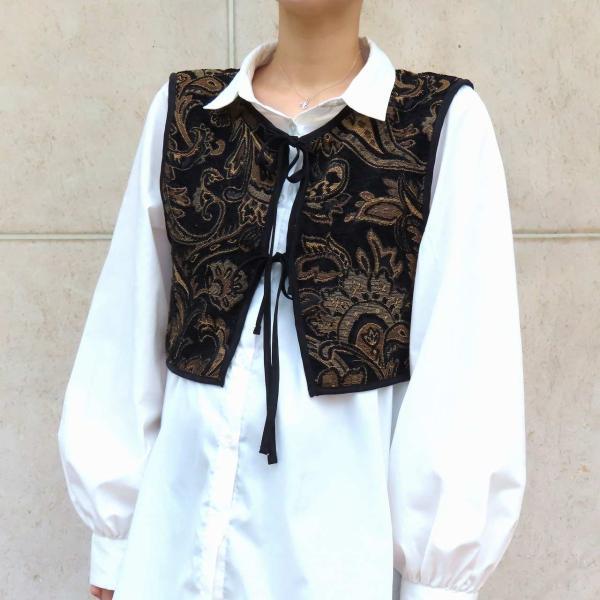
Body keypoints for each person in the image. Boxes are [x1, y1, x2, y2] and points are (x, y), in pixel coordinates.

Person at [57, 1, 526, 599]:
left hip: (335, 562)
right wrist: (115, 543)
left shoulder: (438, 123)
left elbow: (465, 368)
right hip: (170, 551)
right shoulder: (187, 113)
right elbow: (124, 327)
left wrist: (438, 584)